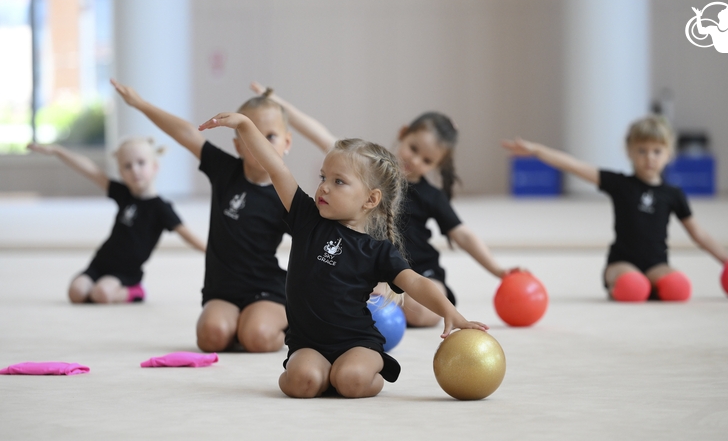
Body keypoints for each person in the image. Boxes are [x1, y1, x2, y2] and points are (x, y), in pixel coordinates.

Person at [199, 111, 488, 398]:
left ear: (371, 199)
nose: (324, 186)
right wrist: (246, 126)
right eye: (324, 176)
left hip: (356, 342)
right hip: (308, 344)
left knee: (350, 380)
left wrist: (451, 313)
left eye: (339, 181)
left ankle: (370, 373)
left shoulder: (377, 250)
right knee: (301, 383)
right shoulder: (305, 218)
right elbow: (276, 168)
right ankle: (324, 374)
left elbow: (416, 283)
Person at [249, 82, 517, 327]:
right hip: (371, 269)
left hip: (420, 271)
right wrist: (276, 102)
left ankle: (389, 306)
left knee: (422, 311)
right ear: (403, 134)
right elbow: (320, 134)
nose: (415, 161)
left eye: (427, 161)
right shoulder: (364, 168)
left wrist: (498, 270)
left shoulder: (431, 196)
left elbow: (464, 235)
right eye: (413, 148)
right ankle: (379, 305)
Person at [111, 79, 291, 353]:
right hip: (224, 289)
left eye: (270, 137)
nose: (260, 144)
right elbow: (186, 133)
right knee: (212, 337)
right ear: (238, 145)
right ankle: (239, 323)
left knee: (258, 337)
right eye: (250, 135)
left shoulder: (288, 194)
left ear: (286, 143)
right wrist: (140, 104)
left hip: (267, 288)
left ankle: (277, 322)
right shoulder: (225, 170)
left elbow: (319, 242)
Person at [502, 115, 728, 302]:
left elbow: (698, 234)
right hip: (622, 263)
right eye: (642, 150)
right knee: (633, 287)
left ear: (668, 154)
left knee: (679, 288)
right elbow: (573, 165)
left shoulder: (673, 194)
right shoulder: (620, 184)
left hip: (656, 264)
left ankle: (650, 286)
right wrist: (535, 149)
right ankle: (622, 286)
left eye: (656, 151)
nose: (649, 157)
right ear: (629, 152)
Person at [27, 139, 205, 304]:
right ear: (121, 173)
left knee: (101, 294)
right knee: (76, 292)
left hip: (126, 272)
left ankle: (135, 291)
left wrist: (212, 252)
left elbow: (187, 235)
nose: (134, 169)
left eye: (141, 163)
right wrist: (58, 151)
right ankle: (98, 286)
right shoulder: (123, 194)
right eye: (127, 166)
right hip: (101, 262)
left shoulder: (161, 208)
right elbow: (90, 170)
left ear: (155, 167)